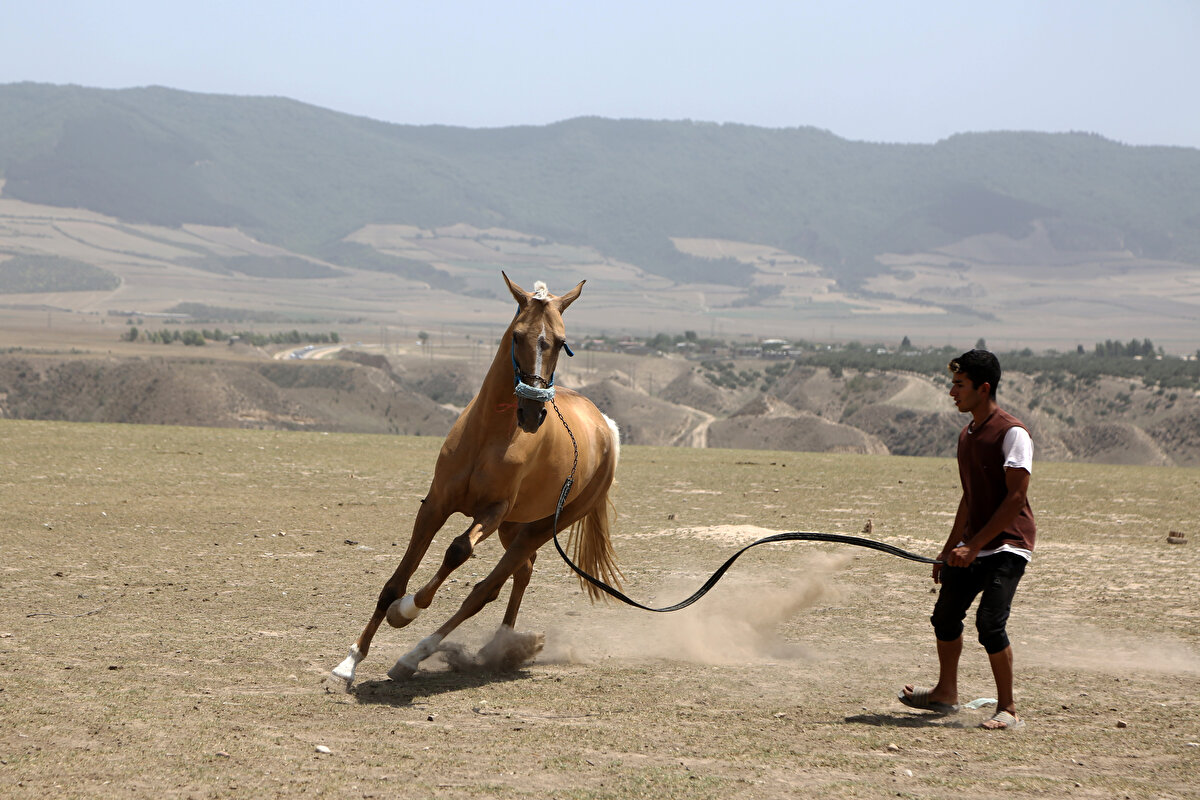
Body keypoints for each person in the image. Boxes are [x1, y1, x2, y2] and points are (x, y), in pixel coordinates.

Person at [898, 349, 1035, 731]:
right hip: (972, 545)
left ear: (983, 387)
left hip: (1008, 545)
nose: (952, 392)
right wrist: (948, 548)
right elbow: (970, 497)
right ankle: (946, 692)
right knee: (944, 615)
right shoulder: (967, 434)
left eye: (959, 385)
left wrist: (974, 546)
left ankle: (1007, 708)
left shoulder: (1013, 434)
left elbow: (1015, 498)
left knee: (990, 623)